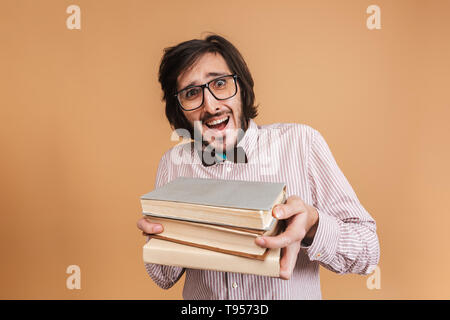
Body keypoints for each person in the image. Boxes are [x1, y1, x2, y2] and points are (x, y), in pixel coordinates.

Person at [136, 34, 380, 299]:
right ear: (179, 108)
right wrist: (167, 235)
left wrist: (313, 225)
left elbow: (368, 252)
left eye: (219, 83)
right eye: (192, 93)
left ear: (242, 86)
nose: (211, 105)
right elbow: (162, 278)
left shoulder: (301, 143)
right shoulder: (173, 164)